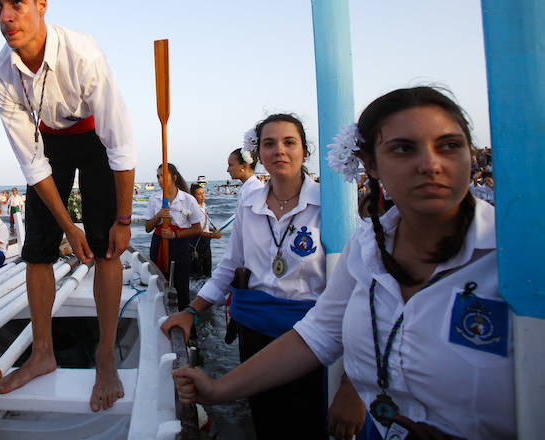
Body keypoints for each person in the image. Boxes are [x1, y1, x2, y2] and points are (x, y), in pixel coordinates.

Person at [174, 88, 513, 440]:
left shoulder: (516, 261)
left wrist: (349, 390)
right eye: (403, 148)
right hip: (260, 328)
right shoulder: (367, 247)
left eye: (449, 145)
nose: (429, 164)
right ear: (370, 164)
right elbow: (320, 332)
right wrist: (218, 383)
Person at [0, 0, 135, 412]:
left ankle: (104, 355)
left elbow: (121, 144)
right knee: (37, 249)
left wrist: (124, 220)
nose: (6, 16)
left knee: (109, 245)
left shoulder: (83, 54)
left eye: (17, 3)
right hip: (48, 143)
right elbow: (33, 165)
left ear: (41, 4)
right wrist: (69, 227)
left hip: (93, 140)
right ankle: (44, 354)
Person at [161, 114, 326, 439]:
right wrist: (192, 310)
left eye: (289, 142)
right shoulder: (249, 203)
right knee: (264, 415)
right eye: (269, 143)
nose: (279, 150)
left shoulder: (326, 203)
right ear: (259, 155)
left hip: (312, 335)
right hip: (254, 329)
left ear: (305, 151)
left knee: (309, 418)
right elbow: (229, 266)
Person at [144, 164, 202, 306]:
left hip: (179, 245)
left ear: (174, 178)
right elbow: (147, 228)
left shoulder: (188, 199)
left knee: (181, 287)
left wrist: (174, 234)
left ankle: (183, 319)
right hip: (158, 244)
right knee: (159, 283)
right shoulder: (154, 199)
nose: (160, 179)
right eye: (158, 176)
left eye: (163, 175)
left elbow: (197, 229)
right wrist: (158, 216)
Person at [189, 183, 221, 277]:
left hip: (206, 241)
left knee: (207, 269)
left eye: (203, 193)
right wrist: (213, 235)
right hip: (197, 242)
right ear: (194, 197)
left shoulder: (204, 206)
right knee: (197, 271)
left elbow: (205, 225)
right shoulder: (193, 210)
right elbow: (195, 230)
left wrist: (212, 230)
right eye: (199, 194)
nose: (203, 196)